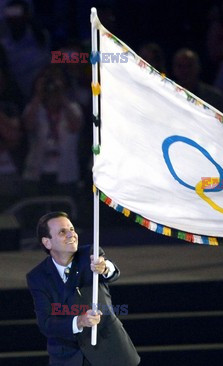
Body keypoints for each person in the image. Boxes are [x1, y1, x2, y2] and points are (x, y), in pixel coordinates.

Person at [26, 212, 140, 366]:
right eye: (62, 232)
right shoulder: (37, 277)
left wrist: (105, 267)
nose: (71, 234)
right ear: (47, 242)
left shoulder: (90, 255)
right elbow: (46, 323)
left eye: (72, 229)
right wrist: (79, 322)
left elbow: (111, 272)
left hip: (110, 352)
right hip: (68, 358)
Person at [22, 65, 83, 197]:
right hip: (36, 172)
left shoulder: (73, 108)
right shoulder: (34, 107)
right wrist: (38, 94)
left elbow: (75, 126)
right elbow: (28, 125)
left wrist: (62, 96)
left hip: (66, 173)